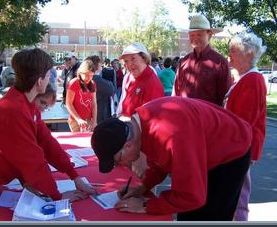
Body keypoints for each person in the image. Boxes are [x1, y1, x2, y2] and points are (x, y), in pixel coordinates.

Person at [0, 48, 96, 221]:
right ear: (40, 81)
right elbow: (32, 162)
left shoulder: (25, 104)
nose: (51, 79)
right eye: (49, 76)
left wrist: (75, 176)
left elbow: (47, 142)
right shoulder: (14, 110)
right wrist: (56, 198)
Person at [91, 96, 252, 221]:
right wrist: (143, 187)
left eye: (118, 159)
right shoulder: (139, 125)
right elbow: (161, 161)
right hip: (204, 144)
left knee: (210, 215)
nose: (121, 164)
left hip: (232, 150)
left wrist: (146, 205)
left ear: (127, 145)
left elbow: (192, 196)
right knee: (188, 214)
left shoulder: (170, 135)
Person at [224, 33, 267, 221]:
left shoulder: (253, 80)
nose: (229, 55)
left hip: (240, 148)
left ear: (249, 53)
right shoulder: (244, 78)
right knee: (235, 192)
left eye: (234, 51)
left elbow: (244, 122)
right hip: (237, 146)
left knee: (238, 195)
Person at [116, 42, 164, 179]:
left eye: (133, 59)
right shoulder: (132, 79)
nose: (129, 64)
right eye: (126, 61)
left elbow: (150, 123)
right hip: (130, 143)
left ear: (144, 58)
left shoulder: (151, 82)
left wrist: (142, 156)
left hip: (142, 147)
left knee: (139, 184)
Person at [172, 14, 232, 106]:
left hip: (208, 118)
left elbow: (224, 99)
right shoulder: (183, 62)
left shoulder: (220, 63)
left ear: (209, 35)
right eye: (192, 35)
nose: (195, 38)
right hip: (184, 116)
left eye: (199, 34)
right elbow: (176, 93)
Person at [66, 59, 97, 132]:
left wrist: (94, 120)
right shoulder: (74, 83)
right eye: (86, 75)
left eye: (91, 76)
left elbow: (94, 104)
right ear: (80, 73)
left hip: (89, 119)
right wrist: (78, 119)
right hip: (75, 120)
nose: (89, 78)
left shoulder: (92, 84)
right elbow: (68, 103)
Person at [86, 55, 115, 124]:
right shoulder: (95, 79)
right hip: (98, 116)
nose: (101, 65)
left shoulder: (84, 78)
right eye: (99, 63)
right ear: (96, 65)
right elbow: (111, 89)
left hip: (88, 114)